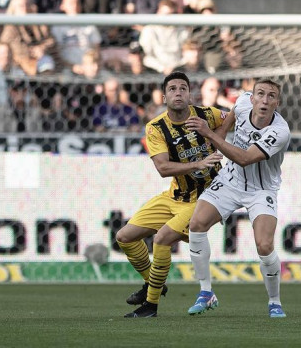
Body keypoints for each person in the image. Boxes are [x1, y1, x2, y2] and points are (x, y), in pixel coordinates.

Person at [119, 71, 226, 318]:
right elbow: (163, 169)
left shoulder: (206, 114)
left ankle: (150, 306)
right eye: (172, 89)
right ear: (164, 96)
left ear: (190, 94)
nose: (178, 93)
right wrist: (197, 164)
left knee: (162, 239)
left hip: (204, 199)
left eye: (182, 88)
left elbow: (230, 117)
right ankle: (153, 283)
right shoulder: (155, 127)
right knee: (125, 237)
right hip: (174, 195)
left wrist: (217, 137)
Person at [184, 79, 291, 318]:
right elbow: (230, 121)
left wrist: (209, 134)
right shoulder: (242, 102)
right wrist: (216, 145)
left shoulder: (280, 132)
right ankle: (206, 292)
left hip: (261, 190)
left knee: (264, 246)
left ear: (277, 103)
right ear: (251, 98)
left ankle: (274, 301)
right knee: (196, 224)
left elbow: (244, 157)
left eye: (271, 96)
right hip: (230, 179)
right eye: (260, 94)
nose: (264, 100)